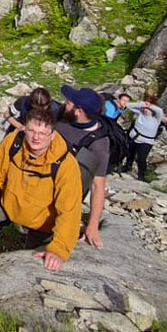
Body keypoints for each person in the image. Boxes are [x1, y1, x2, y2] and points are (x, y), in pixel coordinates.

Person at [0, 108, 82, 271]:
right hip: (7, 200)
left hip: (42, 218)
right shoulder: (13, 142)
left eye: (43, 133)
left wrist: (59, 249)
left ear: (52, 136)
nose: (36, 137)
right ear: (24, 128)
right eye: (31, 130)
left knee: (35, 257)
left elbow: (69, 210)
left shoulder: (66, 165)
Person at [54, 85, 109, 249]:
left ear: (79, 111)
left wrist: (92, 226)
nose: (65, 103)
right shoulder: (63, 114)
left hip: (66, 191)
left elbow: (98, 185)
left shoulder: (99, 145)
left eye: (69, 102)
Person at [124, 95, 165, 180]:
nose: (146, 109)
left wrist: (149, 105)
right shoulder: (140, 112)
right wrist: (142, 104)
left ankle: (141, 175)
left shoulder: (156, 118)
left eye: (148, 108)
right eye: (145, 107)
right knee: (129, 154)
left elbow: (160, 110)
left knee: (141, 158)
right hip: (134, 137)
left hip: (146, 141)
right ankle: (128, 166)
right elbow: (128, 105)